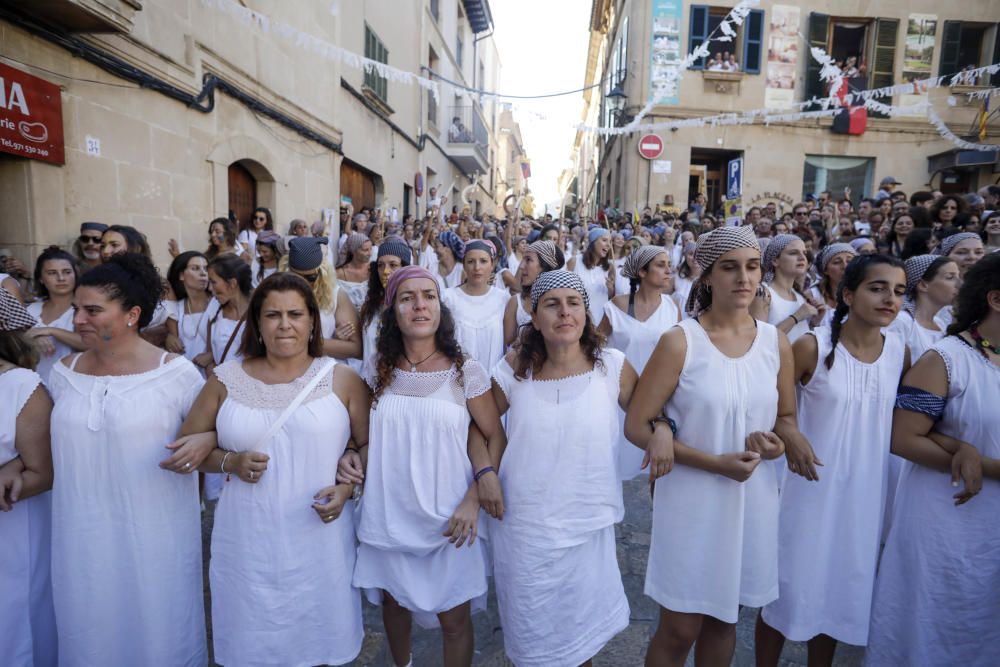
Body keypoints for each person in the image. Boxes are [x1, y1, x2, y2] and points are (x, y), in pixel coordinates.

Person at [624, 225, 795, 667]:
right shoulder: (681, 340)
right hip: (691, 497)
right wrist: (712, 462)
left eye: (752, 267)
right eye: (730, 268)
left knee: (724, 621)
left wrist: (776, 445)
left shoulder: (776, 342)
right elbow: (636, 425)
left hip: (752, 497)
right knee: (680, 627)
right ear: (706, 277)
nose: (743, 278)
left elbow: (786, 419)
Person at [178, 272, 369, 666]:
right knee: (253, 641)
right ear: (258, 323)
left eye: (296, 314)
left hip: (319, 541)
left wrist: (348, 489)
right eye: (273, 315)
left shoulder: (342, 379)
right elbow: (188, 449)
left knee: (317, 640)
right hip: (248, 541)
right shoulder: (224, 380)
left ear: (313, 321)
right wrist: (230, 460)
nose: (285, 325)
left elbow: (369, 447)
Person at [47, 253, 210, 666]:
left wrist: (207, 439)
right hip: (80, 539)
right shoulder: (62, 375)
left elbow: (214, 434)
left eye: (93, 310)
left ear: (132, 314)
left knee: (157, 632)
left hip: (155, 540)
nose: (78, 319)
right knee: (89, 631)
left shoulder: (176, 375)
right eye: (76, 310)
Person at [341, 265, 505, 667]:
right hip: (389, 512)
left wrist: (474, 497)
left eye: (429, 296)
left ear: (440, 306)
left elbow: (493, 435)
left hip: (450, 516)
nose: (419, 305)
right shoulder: (377, 369)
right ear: (392, 310)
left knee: (454, 620)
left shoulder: (465, 369)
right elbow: (361, 434)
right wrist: (348, 451)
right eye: (407, 297)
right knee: (394, 607)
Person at [756, 255, 908, 667]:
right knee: (786, 587)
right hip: (808, 488)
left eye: (898, 291)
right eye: (877, 288)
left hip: (863, 492)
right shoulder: (813, 345)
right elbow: (769, 404)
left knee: (841, 588)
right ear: (847, 294)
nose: (889, 299)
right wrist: (789, 433)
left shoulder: (900, 351)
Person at [490, 270, 638, 666]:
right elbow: (480, 428)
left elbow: (647, 415)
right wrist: (484, 477)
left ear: (587, 314)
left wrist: (662, 430)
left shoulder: (612, 366)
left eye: (574, 303)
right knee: (532, 639)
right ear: (534, 317)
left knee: (579, 642)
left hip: (585, 528)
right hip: (525, 529)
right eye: (552, 304)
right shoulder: (513, 371)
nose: (564, 312)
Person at [866, 253, 1000, 666]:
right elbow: (903, 437)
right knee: (933, 622)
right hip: (945, 522)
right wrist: (974, 459)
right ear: (996, 299)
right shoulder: (946, 358)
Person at [0, 288, 57, 667]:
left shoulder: (21, 386)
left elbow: (43, 472)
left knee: (14, 622)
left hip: (11, 532)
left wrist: (14, 471)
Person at [598, 246, 681, 480]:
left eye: (669, 265)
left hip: (661, 399)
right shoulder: (616, 306)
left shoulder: (672, 307)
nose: (668, 270)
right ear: (642, 272)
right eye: (660, 265)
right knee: (618, 464)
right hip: (620, 399)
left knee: (657, 469)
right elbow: (595, 347)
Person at [284, 236, 362, 362]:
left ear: (321, 272)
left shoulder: (335, 295)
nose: (303, 283)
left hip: (323, 372)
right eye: (296, 277)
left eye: (310, 278)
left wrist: (302, 342)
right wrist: (332, 344)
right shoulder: (277, 294)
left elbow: (356, 348)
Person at [443, 240, 508, 370]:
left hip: (493, 382)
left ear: (492, 264)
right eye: (471, 261)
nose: (477, 267)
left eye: (483, 261)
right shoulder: (448, 298)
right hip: (457, 379)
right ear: (464, 265)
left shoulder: (503, 298)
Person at [25, 247, 84, 385]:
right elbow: (15, 342)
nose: (61, 278)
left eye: (67, 272)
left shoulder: (86, 309)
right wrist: (34, 336)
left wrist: (51, 330)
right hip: (34, 385)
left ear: (75, 274)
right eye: (52, 273)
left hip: (70, 384)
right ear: (40, 278)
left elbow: (92, 344)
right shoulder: (32, 309)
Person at [357, 237, 413, 376]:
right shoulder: (371, 305)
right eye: (381, 265)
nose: (385, 271)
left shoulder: (414, 306)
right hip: (368, 381)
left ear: (404, 267)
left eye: (393, 265)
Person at [751, 235, 819, 344]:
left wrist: (815, 321)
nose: (802, 257)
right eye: (793, 253)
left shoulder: (799, 295)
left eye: (804, 253)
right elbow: (758, 342)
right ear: (775, 261)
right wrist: (796, 317)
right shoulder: (763, 294)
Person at [890, 255, 959, 361]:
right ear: (923, 285)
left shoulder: (941, 324)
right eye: (950, 277)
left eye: (958, 277)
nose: (959, 284)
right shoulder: (902, 322)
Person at [196, 254, 252, 376]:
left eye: (213, 282)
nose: (210, 288)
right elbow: (211, 355)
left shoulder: (258, 313)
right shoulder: (215, 307)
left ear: (232, 283)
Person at [503, 240, 565, 347]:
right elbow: (508, 344)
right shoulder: (516, 302)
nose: (521, 266)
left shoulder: (564, 303)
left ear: (545, 266)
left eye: (528, 260)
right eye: (523, 259)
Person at [164, 251, 213, 368]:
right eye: (195, 268)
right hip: (185, 376)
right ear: (181, 275)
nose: (203, 273)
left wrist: (212, 354)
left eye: (206, 269)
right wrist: (168, 336)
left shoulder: (217, 304)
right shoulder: (177, 308)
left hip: (213, 376)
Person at [569, 228, 624, 323]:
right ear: (593, 242)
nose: (608, 245)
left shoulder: (610, 267)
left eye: (610, 242)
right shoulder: (574, 262)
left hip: (600, 320)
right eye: (604, 240)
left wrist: (611, 289)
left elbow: (610, 297)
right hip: (577, 319)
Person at [808, 243, 857, 329]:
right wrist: (813, 323)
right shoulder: (812, 295)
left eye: (849, 261)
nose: (845, 266)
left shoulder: (863, 295)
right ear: (826, 270)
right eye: (837, 262)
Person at [336, 232, 373, 309]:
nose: (370, 253)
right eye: (365, 250)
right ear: (354, 251)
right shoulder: (339, 273)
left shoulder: (373, 269)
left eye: (370, 249)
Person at [672, 240, 700, 318]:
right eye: (691, 254)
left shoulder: (712, 281)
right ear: (685, 255)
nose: (695, 257)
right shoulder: (676, 278)